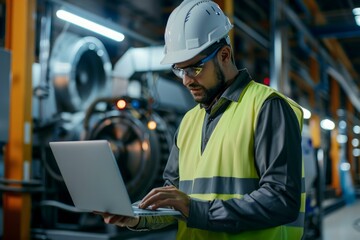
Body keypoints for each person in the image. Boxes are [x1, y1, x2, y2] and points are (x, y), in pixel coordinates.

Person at [98, 0, 305, 239]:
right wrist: (137, 217)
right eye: (179, 70)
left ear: (225, 55)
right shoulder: (188, 122)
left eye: (194, 68)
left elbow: (281, 199)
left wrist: (194, 209)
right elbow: (174, 202)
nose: (186, 80)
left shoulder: (267, 107)